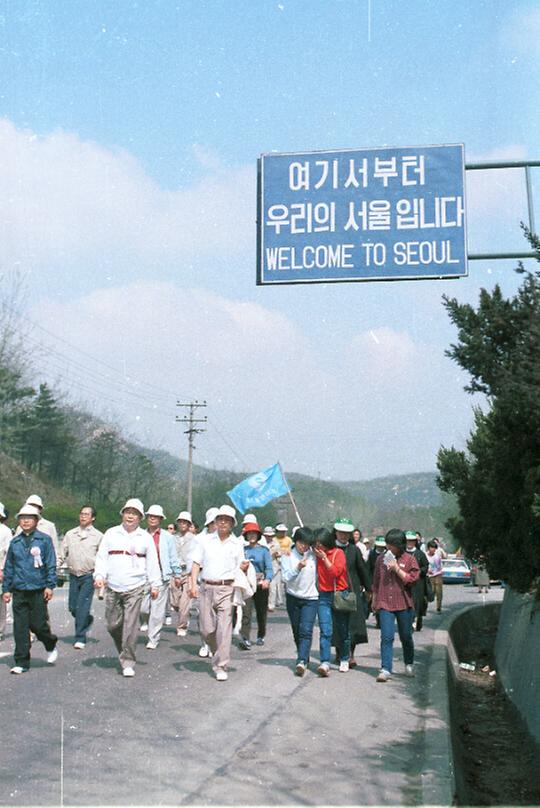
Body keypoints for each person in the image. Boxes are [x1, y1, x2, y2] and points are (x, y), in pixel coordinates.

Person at [94, 498, 161, 677]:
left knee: (130, 626)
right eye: (127, 512)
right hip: (113, 586)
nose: (130, 516)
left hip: (135, 586)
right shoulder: (111, 533)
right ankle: (123, 649)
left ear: (140, 517)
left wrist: (155, 584)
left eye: (135, 513)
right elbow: (102, 557)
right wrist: (99, 575)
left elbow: (153, 563)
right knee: (112, 625)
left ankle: (128, 661)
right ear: (123, 514)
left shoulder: (145, 538)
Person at [189, 504, 249, 681]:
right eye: (220, 519)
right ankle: (217, 652)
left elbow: (241, 565)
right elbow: (195, 564)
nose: (223, 523)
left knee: (224, 628)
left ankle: (220, 665)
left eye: (227, 520)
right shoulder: (205, 541)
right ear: (215, 522)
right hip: (206, 587)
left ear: (232, 524)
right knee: (207, 630)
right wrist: (192, 585)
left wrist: (244, 568)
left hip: (226, 588)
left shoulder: (237, 543)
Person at [2, 503, 58, 674]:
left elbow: (50, 564)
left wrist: (50, 585)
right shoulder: (15, 542)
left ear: (36, 520)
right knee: (20, 628)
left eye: (29, 518)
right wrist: (6, 589)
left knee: (38, 625)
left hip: (38, 589)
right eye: (22, 518)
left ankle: (50, 642)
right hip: (19, 590)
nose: (25, 521)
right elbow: (9, 566)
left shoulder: (44, 540)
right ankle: (21, 662)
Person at [372, 528, 420, 682]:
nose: (388, 548)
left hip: (404, 604)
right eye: (387, 545)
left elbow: (412, 580)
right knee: (386, 636)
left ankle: (409, 663)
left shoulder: (409, 559)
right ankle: (386, 668)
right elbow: (376, 580)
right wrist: (374, 600)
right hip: (385, 602)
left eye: (391, 545)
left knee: (406, 636)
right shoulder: (381, 559)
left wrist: (397, 569)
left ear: (400, 545)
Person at [140, 505, 182, 650]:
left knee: (157, 610)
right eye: (150, 515)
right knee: (143, 609)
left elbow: (173, 557)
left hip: (161, 576)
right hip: (142, 576)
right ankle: (145, 622)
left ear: (160, 519)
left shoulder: (167, 537)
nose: (152, 518)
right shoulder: (140, 535)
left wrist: (177, 574)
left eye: (155, 516)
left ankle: (153, 638)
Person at [61, 505, 103, 649]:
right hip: (73, 575)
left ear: (93, 518)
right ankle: (86, 620)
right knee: (73, 607)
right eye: (81, 513)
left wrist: (101, 575)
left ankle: (80, 637)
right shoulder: (70, 534)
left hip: (88, 575)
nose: (83, 516)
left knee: (82, 607)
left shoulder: (98, 536)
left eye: (87, 514)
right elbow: (62, 553)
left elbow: (103, 558)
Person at [333, 518, 371, 668]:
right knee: (337, 623)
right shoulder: (331, 550)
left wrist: (369, 589)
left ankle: (351, 654)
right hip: (335, 590)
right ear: (336, 533)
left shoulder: (354, 550)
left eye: (346, 533)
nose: (343, 536)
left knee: (353, 624)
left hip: (352, 590)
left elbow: (363, 570)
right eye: (340, 532)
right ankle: (339, 652)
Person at [281, 526, 318, 676]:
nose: (303, 546)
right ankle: (304, 654)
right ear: (295, 541)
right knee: (297, 630)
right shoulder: (287, 555)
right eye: (300, 542)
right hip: (293, 597)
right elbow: (285, 577)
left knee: (306, 630)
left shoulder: (314, 555)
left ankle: (301, 660)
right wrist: (298, 568)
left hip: (311, 598)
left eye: (306, 543)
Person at [313, 526, 350, 676]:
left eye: (319, 543)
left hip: (340, 594)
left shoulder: (338, 553)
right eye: (315, 543)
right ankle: (325, 662)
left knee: (342, 629)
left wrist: (324, 558)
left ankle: (345, 658)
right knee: (325, 630)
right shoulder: (315, 554)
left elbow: (335, 572)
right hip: (323, 596)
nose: (317, 546)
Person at [238, 522, 273, 649]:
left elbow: (269, 568)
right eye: (249, 534)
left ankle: (261, 635)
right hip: (246, 584)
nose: (251, 536)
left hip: (260, 584)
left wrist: (267, 580)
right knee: (245, 612)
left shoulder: (264, 551)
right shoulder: (242, 550)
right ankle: (245, 637)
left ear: (258, 535)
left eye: (254, 534)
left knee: (261, 612)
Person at [168, 510, 197, 637]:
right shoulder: (173, 538)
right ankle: (185, 614)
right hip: (175, 572)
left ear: (189, 524)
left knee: (185, 601)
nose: (183, 524)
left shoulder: (194, 539)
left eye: (185, 522)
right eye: (180, 522)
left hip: (188, 572)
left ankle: (182, 626)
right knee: (174, 602)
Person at [15, 494, 60, 561]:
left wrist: (55, 564)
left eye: (35, 506)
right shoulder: (20, 527)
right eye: (30, 505)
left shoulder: (49, 526)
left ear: (40, 509)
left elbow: (55, 548)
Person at [405, 530, 429, 631]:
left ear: (415, 541)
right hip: (405, 583)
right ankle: (407, 622)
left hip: (418, 584)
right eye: (407, 541)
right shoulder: (402, 553)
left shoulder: (420, 554)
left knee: (417, 603)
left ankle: (415, 622)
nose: (409, 543)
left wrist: (419, 572)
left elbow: (426, 566)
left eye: (411, 541)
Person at [0, 502, 13, 642]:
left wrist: (3, 569)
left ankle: (0, 630)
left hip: (0, 567)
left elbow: (9, 552)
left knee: (0, 603)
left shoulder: (5, 531)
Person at [426, 539, 447, 613]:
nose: (433, 549)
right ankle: (425, 607)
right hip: (429, 576)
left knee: (439, 592)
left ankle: (439, 608)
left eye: (435, 548)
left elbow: (444, 558)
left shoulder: (437, 556)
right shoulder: (425, 555)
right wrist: (427, 570)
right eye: (432, 547)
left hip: (438, 575)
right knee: (430, 592)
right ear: (428, 548)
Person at [264, 526, 282, 611]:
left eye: (270, 535)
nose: (269, 537)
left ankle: (271, 605)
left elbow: (279, 555)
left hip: (274, 568)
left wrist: (278, 555)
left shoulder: (276, 544)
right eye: (267, 535)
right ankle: (263, 604)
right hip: (263, 568)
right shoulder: (261, 543)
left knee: (273, 587)